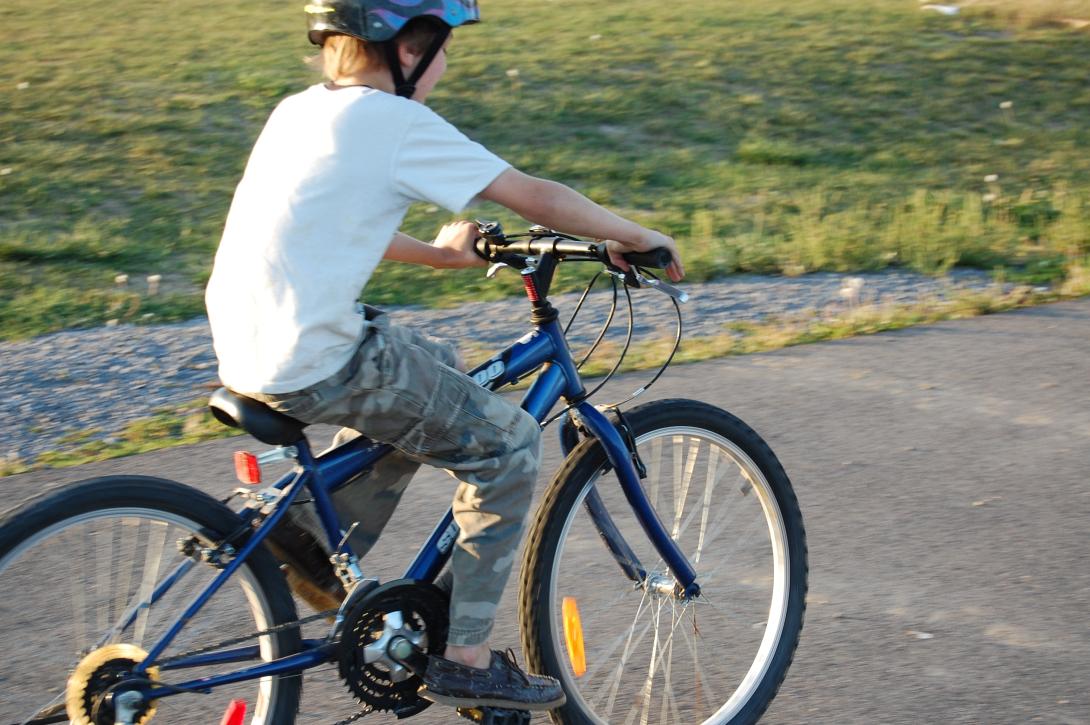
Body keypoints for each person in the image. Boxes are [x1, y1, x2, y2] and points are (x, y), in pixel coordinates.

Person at [204, 0, 684, 711]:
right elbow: (533, 195)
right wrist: (634, 234)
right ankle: (465, 655)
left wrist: (437, 254)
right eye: (444, 46)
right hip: (316, 356)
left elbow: (337, 219)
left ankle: (309, 531)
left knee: (439, 369)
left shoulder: (300, 111)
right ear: (410, 45)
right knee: (512, 443)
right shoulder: (393, 121)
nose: (445, 66)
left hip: (251, 342)